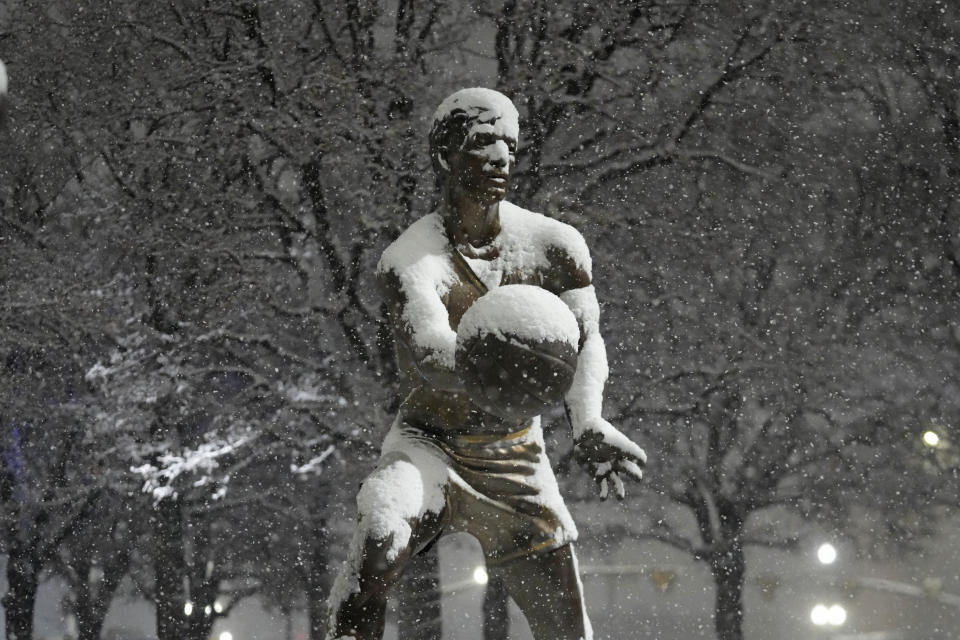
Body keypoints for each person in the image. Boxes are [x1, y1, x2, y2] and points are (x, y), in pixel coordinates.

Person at [325, 88, 647, 640]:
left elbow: (584, 340)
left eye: (510, 146)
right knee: (380, 537)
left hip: (515, 456)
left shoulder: (555, 247)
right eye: (482, 143)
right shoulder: (411, 260)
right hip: (429, 444)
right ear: (446, 156)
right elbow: (431, 352)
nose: (500, 157)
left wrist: (587, 421)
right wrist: (504, 358)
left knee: (567, 628)